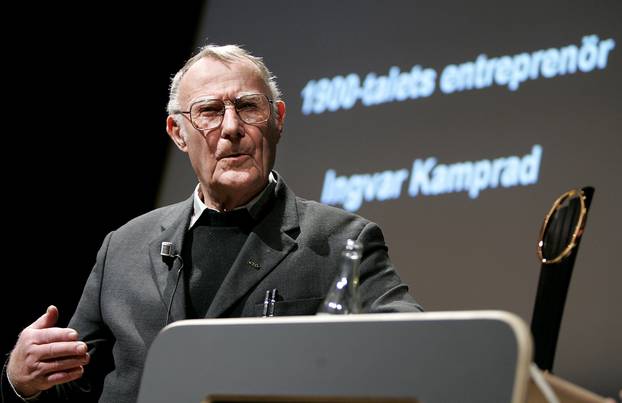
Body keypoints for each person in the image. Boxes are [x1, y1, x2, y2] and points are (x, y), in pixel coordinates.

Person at [1, 43, 422, 403]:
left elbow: (410, 340)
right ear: (178, 132)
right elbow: (70, 382)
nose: (232, 128)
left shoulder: (339, 240)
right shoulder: (123, 247)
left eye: (247, 107)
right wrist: (22, 379)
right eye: (209, 111)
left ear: (277, 119)